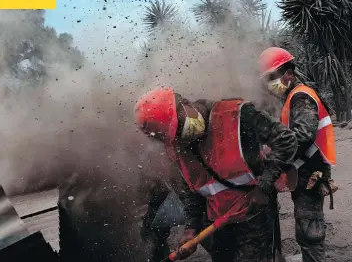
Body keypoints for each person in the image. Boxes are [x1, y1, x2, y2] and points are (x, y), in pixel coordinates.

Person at [134, 87, 297, 262]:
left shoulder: (237, 114)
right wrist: (191, 228)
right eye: (175, 134)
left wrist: (264, 186)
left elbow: (286, 140)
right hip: (219, 225)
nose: (182, 134)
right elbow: (192, 191)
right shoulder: (177, 147)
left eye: (180, 124)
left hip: (254, 216)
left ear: (185, 103)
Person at [258, 47, 338, 262]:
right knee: (305, 229)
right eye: (267, 79)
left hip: (311, 173)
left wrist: (274, 158)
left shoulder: (301, 97)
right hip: (305, 172)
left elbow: (302, 135)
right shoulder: (292, 97)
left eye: (273, 77)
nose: (270, 83)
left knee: (310, 231)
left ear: (289, 73)